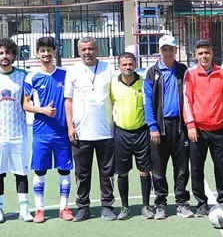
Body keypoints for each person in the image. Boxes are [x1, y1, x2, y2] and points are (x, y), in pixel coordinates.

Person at [23, 36, 73, 223]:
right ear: (37, 53)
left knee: (64, 171)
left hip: (61, 132)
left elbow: (71, 100)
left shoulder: (65, 74)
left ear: (54, 52)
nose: (46, 53)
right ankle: (39, 210)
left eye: (48, 50)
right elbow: (25, 105)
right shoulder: (32, 77)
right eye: (42, 50)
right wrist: (42, 110)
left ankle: (64, 208)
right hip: (41, 132)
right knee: (40, 171)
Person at [64, 37, 115, 222]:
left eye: (91, 48)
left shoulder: (108, 69)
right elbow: (68, 101)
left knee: (107, 173)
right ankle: (83, 207)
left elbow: (115, 96)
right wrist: (70, 126)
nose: (88, 52)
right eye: (84, 49)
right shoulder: (73, 71)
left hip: (106, 131)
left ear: (97, 49)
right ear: (79, 51)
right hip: (81, 132)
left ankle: (107, 206)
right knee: (82, 173)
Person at [143, 34, 191, 220]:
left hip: (180, 127)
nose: (168, 52)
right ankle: (161, 204)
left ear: (175, 50)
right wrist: (153, 126)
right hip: (159, 127)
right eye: (164, 49)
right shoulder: (152, 72)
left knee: (181, 168)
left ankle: (182, 202)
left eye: (171, 49)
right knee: (158, 168)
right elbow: (147, 101)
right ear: (160, 50)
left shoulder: (182, 70)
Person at [0, 38, 32, 223]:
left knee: (21, 172)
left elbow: (28, 100)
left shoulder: (23, 75)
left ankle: (24, 209)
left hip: (19, 132)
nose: (4, 56)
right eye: (1, 53)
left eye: (8, 53)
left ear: (13, 55)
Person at [184, 39, 223, 212]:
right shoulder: (190, 75)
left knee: (222, 167)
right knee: (196, 168)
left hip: (219, 129)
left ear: (212, 54)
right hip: (198, 130)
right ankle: (201, 203)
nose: (204, 56)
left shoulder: (222, 73)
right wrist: (191, 125)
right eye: (201, 53)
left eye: (207, 53)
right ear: (196, 55)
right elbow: (187, 101)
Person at [110, 52, 150, 220]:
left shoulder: (143, 83)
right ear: (119, 66)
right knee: (122, 172)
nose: (127, 67)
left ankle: (146, 206)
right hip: (121, 134)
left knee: (144, 171)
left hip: (141, 132)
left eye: (130, 64)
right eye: (124, 64)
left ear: (135, 64)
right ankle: (125, 207)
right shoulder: (112, 84)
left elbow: (149, 107)